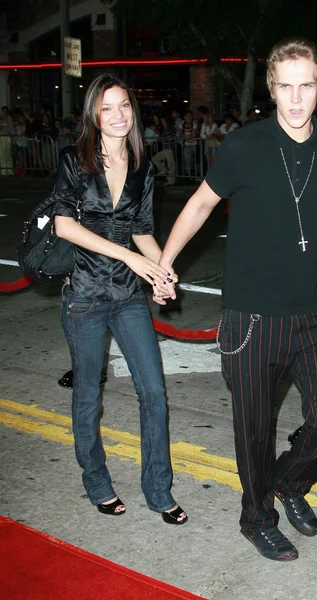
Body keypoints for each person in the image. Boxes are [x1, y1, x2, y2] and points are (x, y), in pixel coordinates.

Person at [157, 36, 317, 561]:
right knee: (254, 428)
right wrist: (164, 261)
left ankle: (289, 482)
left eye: (305, 86)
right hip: (251, 316)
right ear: (271, 88)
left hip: (314, 309)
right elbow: (200, 205)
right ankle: (256, 516)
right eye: (285, 87)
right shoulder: (244, 146)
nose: (295, 99)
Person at [53, 73, 187, 525]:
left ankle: (158, 489)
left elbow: (141, 230)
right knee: (88, 396)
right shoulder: (75, 160)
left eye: (124, 105)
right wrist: (129, 259)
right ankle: (97, 481)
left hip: (128, 297)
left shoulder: (143, 167)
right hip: (86, 295)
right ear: (93, 112)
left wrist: (164, 273)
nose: (117, 115)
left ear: (133, 111)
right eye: (107, 107)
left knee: (154, 393)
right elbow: (64, 226)